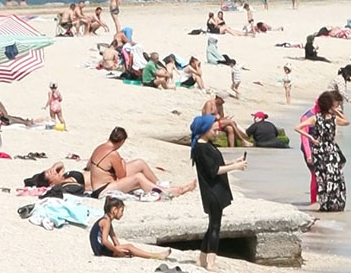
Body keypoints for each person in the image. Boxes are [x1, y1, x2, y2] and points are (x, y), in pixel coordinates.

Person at [190, 114, 246, 271]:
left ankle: (202, 258)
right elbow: (214, 170)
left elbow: (216, 164)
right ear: (205, 130)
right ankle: (211, 262)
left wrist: (234, 162)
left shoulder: (206, 146)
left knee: (212, 226)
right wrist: (236, 167)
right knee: (215, 227)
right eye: (214, 130)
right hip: (212, 191)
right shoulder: (201, 148)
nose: (216, 133)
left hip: (216, 190)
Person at [87, 126, 196, 199]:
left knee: (139, 163)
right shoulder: (113, 154)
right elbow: (122, 175)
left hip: (104, 183)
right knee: (138, 177)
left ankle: (158, 184)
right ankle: (169, 191)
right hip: (103, 189)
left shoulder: (100, 147)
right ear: (121, 141)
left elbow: (89, 166)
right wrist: (122, 162)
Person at [294, 91, 349, 211]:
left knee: (322, 177)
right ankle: (321, 202)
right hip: (324, 150)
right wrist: (309, 151)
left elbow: (297, 128)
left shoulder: (316, 118)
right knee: (328, 176)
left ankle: (323, 204)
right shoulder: (313, 116)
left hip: (319, 150)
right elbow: (346, 121)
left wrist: (311, 138)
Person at [89, 197, 171, 259]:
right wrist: (117, 250)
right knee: (129, 246)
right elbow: (105, 241)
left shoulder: (108, 221)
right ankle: (155, 256)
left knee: (128, 249)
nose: (122, 214)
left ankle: (154, 255)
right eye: (121, 211)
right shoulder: (105, 221)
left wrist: (121, 250)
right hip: (100, 250)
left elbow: (115, 240)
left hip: (100, 249)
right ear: (114, 209)